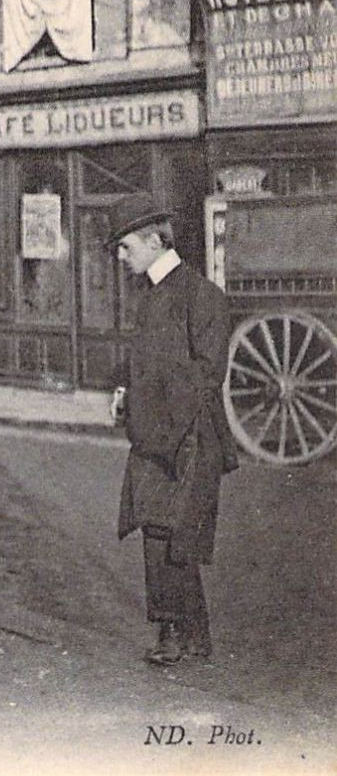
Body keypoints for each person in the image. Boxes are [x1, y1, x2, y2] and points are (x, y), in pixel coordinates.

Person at [105, 193, 235, 666]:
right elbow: (147, 364)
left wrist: (153, 414)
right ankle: (188, 636)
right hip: (158, 435)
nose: (122, 258)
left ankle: (176, 636)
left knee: (172, 535)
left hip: (190, 438)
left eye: (125, 247)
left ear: (155, 240)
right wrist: (126, 390)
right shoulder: (152, 296)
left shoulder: (203, 297)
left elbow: (207, 373)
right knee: (161, 532)